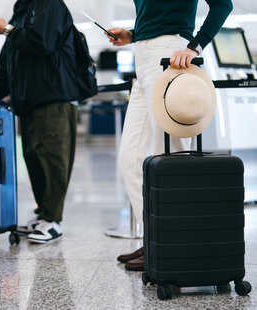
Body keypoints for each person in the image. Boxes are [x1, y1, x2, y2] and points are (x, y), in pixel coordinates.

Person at [107, 0, 233, 271]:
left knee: (172, 157)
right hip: (143, 58)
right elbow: (159, 13)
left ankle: (178, 246)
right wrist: (133, 34)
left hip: (169, 54)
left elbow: (224, 4)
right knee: (130, 159)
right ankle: (156, 239)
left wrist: (194, 46)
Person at [0, 0, 79, 243]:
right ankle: (43, 215)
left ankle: (53, 220)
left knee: (52, 159)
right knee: (35, 157)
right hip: (28, 101)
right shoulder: (22, 11)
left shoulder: (50, 4)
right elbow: (9, 60)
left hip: (53, 98)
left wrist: (7, 30)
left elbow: (43, 43)